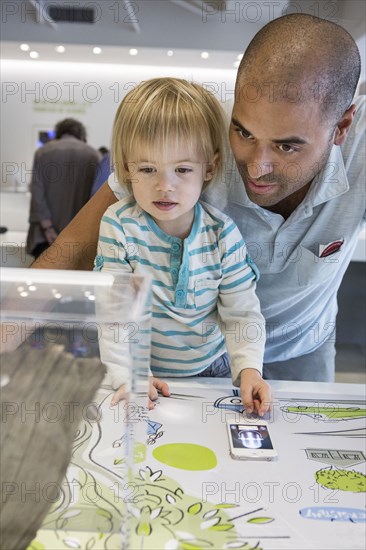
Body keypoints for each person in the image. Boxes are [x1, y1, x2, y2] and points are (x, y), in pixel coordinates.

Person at [31, 15, 364, 389]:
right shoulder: (194, 136)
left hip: (302, 347)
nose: (256, 167)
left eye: (287, 145)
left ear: (342, 127)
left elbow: (241, 305)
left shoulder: (222, 231)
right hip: (202, 359)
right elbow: (73, 253)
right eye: (243, 132)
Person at [94, 78, 271, 415]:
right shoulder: (119, 225)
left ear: (209, 168)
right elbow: (115, 315)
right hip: (144, 371)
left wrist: (249, 368)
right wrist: (129, 374)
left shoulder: (223, 233)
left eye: (182, 169)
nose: (165, 186)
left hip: (214, 371)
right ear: (126, 169)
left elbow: (241, 311)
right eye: (148, 169)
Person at [26, 118, 101, 258]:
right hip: (79, 237)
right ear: (81, 135)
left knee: (43, 276)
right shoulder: (93, 155)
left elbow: (36, 192)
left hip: (44, 236)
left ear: (59, 133)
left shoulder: (42, 152)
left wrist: (47, 227)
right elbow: (97, 197)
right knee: (75, 278)